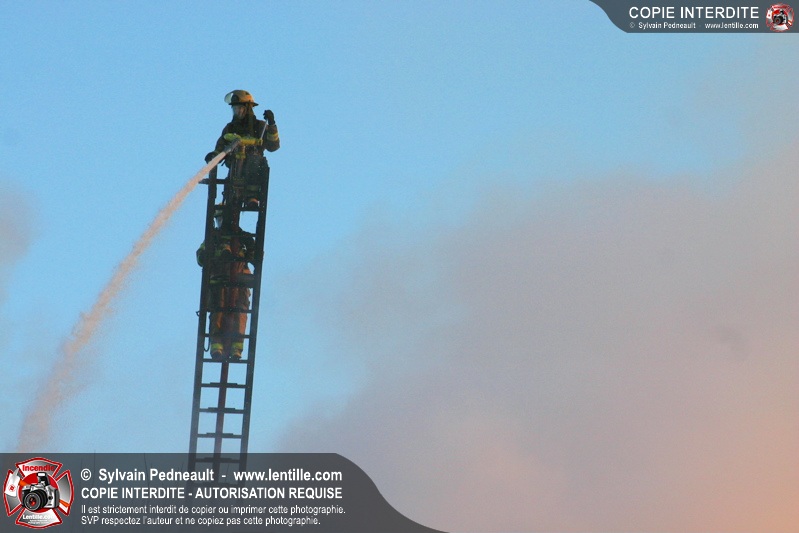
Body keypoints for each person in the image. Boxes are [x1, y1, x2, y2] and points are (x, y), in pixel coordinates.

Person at [196, 204, 256, 359]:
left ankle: (236, 348)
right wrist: (208, 255)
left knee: (240, 312)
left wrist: (252, 251)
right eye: (218, 219)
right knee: (218, 311)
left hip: (239, 282)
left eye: (222, 219)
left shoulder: (242, 237)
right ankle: (217, 346)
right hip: (219, 281)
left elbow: (255, 256)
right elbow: (200, 256)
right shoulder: (213, 238)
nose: (220, 222)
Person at [205, 90, 280, 209]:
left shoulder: (259, 126)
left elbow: (273, 146)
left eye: (240, 108)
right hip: (234, 168)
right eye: (235, 109)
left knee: (254, 160)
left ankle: (252, 197)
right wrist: (214, 155)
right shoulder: (230, 128)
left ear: (248, 109)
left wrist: (271, 124)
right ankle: (228, 214)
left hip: (254, 168)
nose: (237, 112)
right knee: (230, 201)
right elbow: (221, 147)